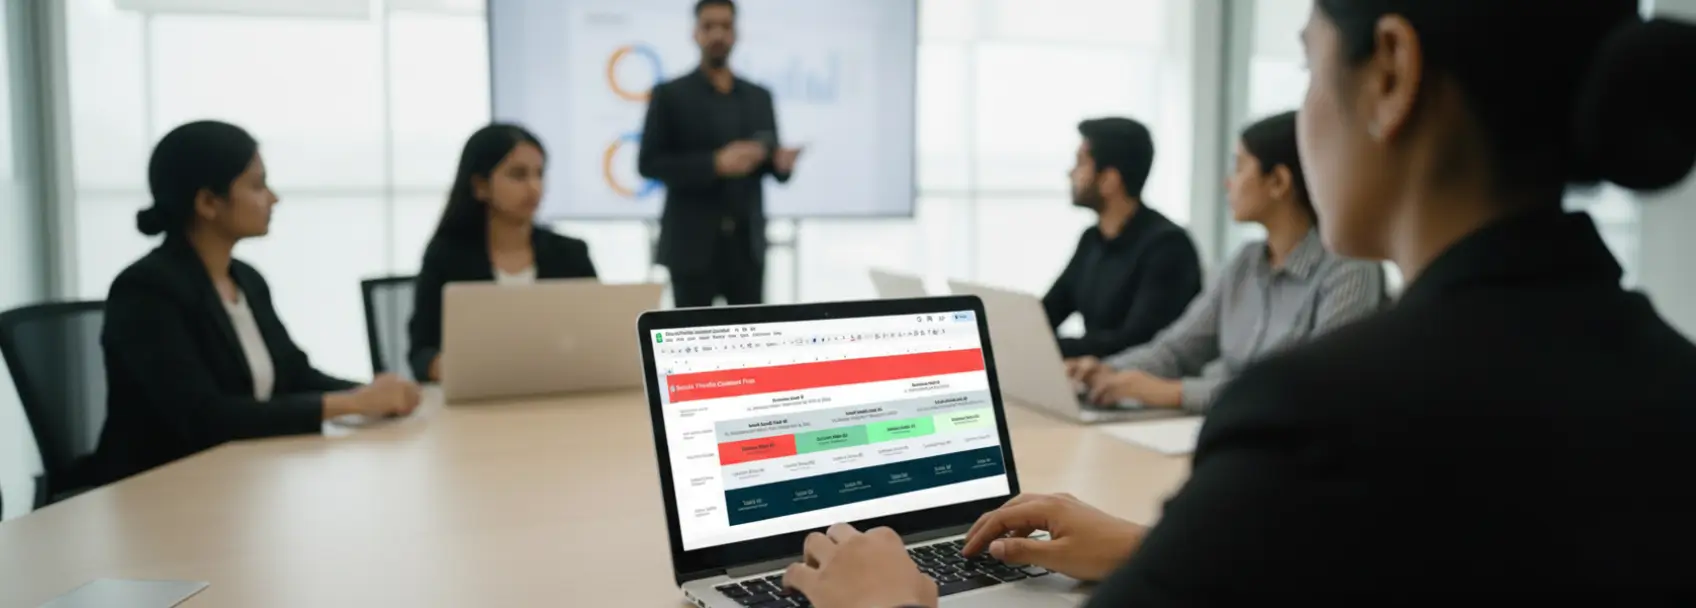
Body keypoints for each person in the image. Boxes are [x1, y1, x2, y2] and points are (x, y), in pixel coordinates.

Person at [779, 2, 1696, 605]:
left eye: (1306, 67)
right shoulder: (1670, 377)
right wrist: (1165, 552)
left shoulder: (1325, 414)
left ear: (1390, 71)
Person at [95, 121, 423, 485]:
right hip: (161, 488)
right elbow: (204, 418)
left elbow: (295, 376)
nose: (273, 198)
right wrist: (354, 404)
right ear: (207, 202)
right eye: (256, 185)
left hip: (241, 477)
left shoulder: (246, 280)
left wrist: (371, 392)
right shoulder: (146, 290)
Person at [1069, 111, 1385, 412]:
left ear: (1278, 182)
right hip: (1230, 432)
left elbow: (1312, 391)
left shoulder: (1349, 269)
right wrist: (1105, 370)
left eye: (1239, 167)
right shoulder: (1245, 263)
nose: (1228, 183)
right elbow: (1177, 350)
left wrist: (1175, 393)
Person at [638, 0, 801, 308]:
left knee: (751, 344)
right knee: (690, 343)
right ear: (695, 33)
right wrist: (715, 164)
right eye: (709, 26)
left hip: (746, 249)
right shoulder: (670, 95)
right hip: (691, 247)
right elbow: (648, 164)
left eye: (725, 26)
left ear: (735, 32)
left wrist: (781, 164)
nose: (718, 34)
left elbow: (770, 164)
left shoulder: (758, 97)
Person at [408, 124, 597, 382]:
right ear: (480, 186)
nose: (534, 188)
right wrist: (447, 368)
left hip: (559, 392)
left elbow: (598, 338)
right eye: (518, 175)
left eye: (539, 174)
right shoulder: (446, 256)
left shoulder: (570, 253)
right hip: (477, 402)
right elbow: (421, 353)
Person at [1045, 117, 1203, 360]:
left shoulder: (1169, 247)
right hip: (1094, 382)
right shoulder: (1092, 239)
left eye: (1080, 163)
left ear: (1109, 180)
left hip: (1138, 389)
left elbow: (1137, 341)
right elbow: (1048, 312)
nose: (1070, 173)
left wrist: (1047, 347)